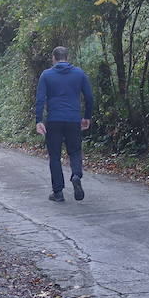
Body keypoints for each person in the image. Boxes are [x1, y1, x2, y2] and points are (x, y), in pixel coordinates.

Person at [34, 46, 94, 202]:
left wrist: (39, 120)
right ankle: (76, 175)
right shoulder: (79, 74)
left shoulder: (46, 75)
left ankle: (58, 192)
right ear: (67, 57)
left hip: (54, 120)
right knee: (75, 151)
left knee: (54, 156)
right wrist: (87, 117)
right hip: (73, 119)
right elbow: (89, 97)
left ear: (53, 58)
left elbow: (40, 99)